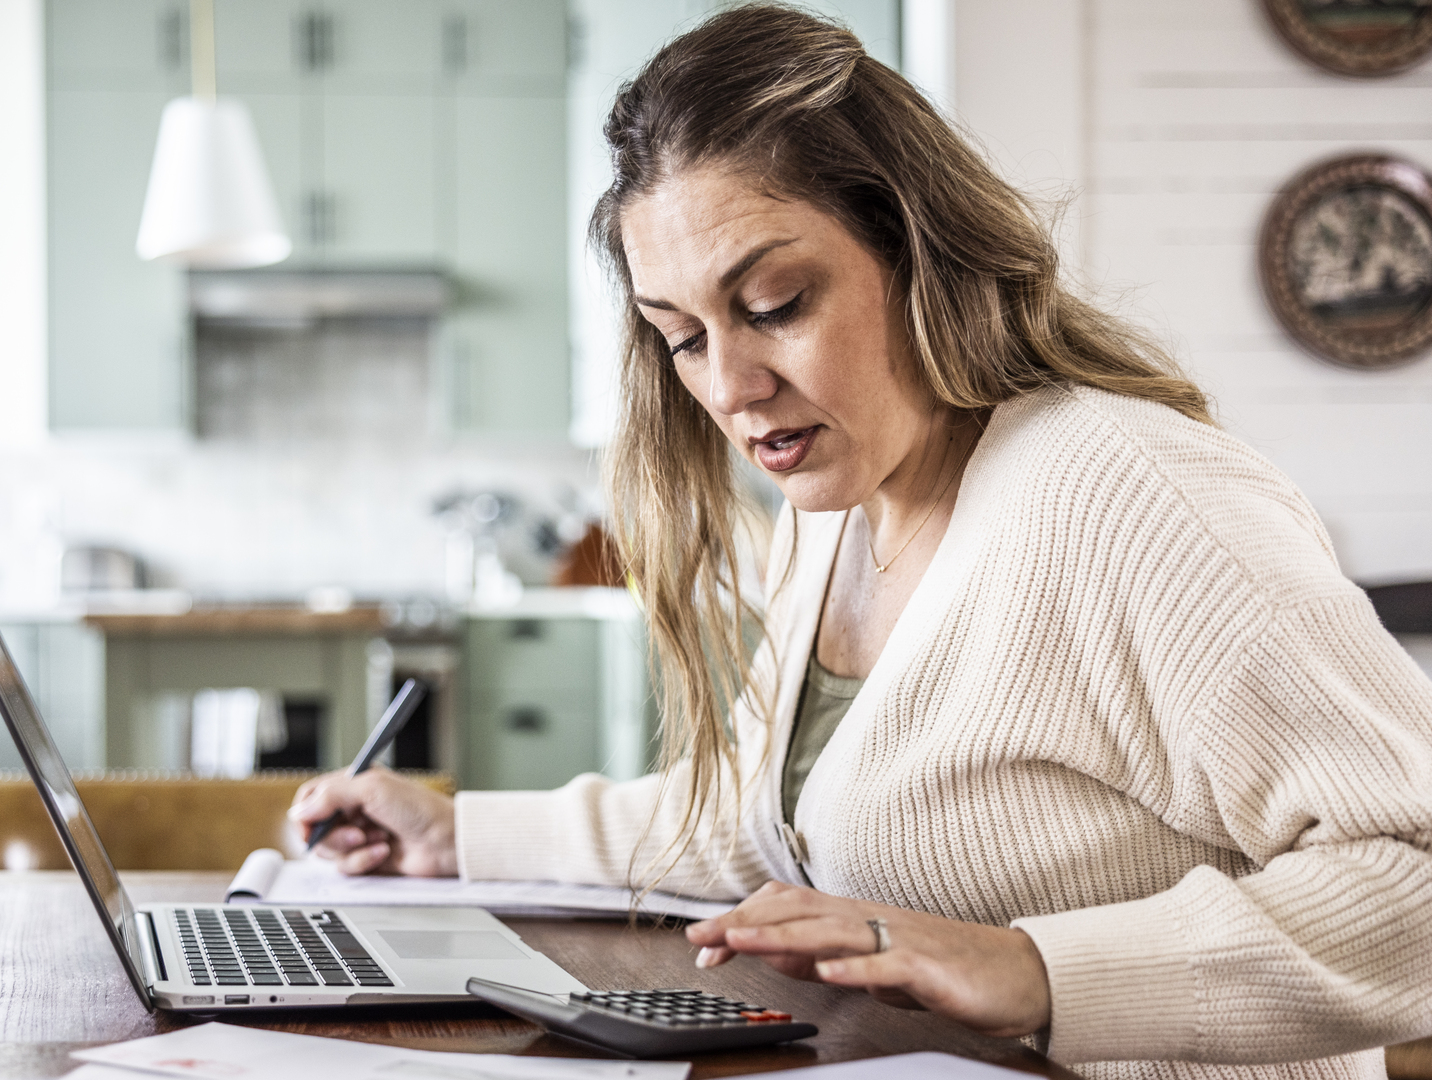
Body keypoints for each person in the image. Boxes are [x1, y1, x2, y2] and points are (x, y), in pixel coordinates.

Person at [289, 5, 1432, 1076]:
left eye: (777, 304)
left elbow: (1413, 874)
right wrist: (456, 834)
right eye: (680, 337)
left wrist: (1036, 968)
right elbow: (760, 837)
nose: (732, 388)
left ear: (921, 253)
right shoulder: (826, 515)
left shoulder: (1126, 495)